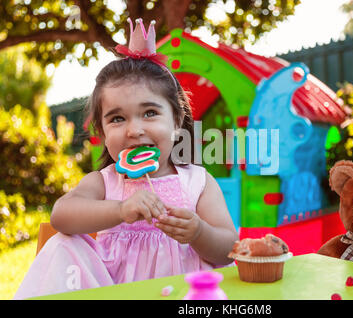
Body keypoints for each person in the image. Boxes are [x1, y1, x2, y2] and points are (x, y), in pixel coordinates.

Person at [14, 19, 238, 300]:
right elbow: (61, 216)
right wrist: (119, 210)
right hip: (116, 292)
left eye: (149, 113)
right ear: (102, 132)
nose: (134, 130)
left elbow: (229, 248)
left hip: (184, 295)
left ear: (177, 120)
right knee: (63, 242)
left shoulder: (197, 182)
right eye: (117, 118)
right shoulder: (105, 182)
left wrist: (198, 231)